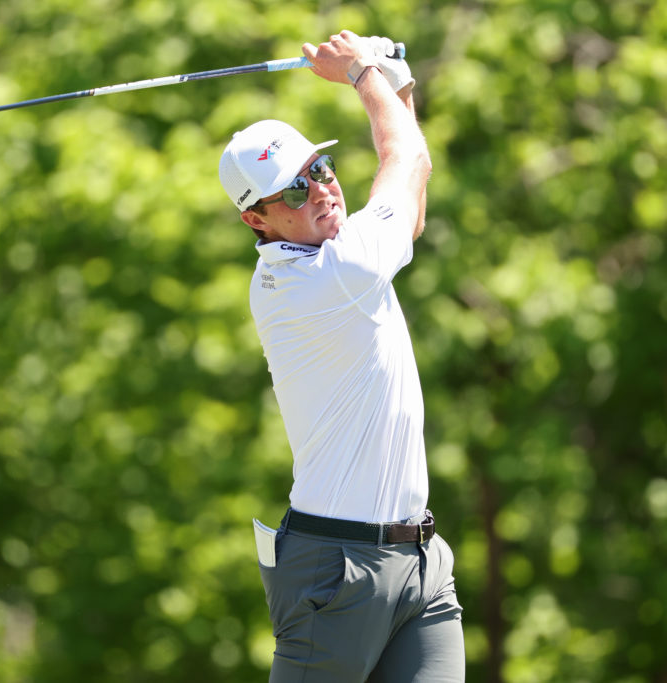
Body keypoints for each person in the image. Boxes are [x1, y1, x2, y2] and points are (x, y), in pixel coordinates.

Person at [218, 30, 464, 682]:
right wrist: (361, 72)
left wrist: (396, 80)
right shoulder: (324, 276)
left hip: (420, 562)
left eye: (320, 169)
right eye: (295, 192)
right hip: (336, 569)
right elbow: (405, 159)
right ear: (257, 220)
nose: (322, 190)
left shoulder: (341, 253)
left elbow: (409, 204)